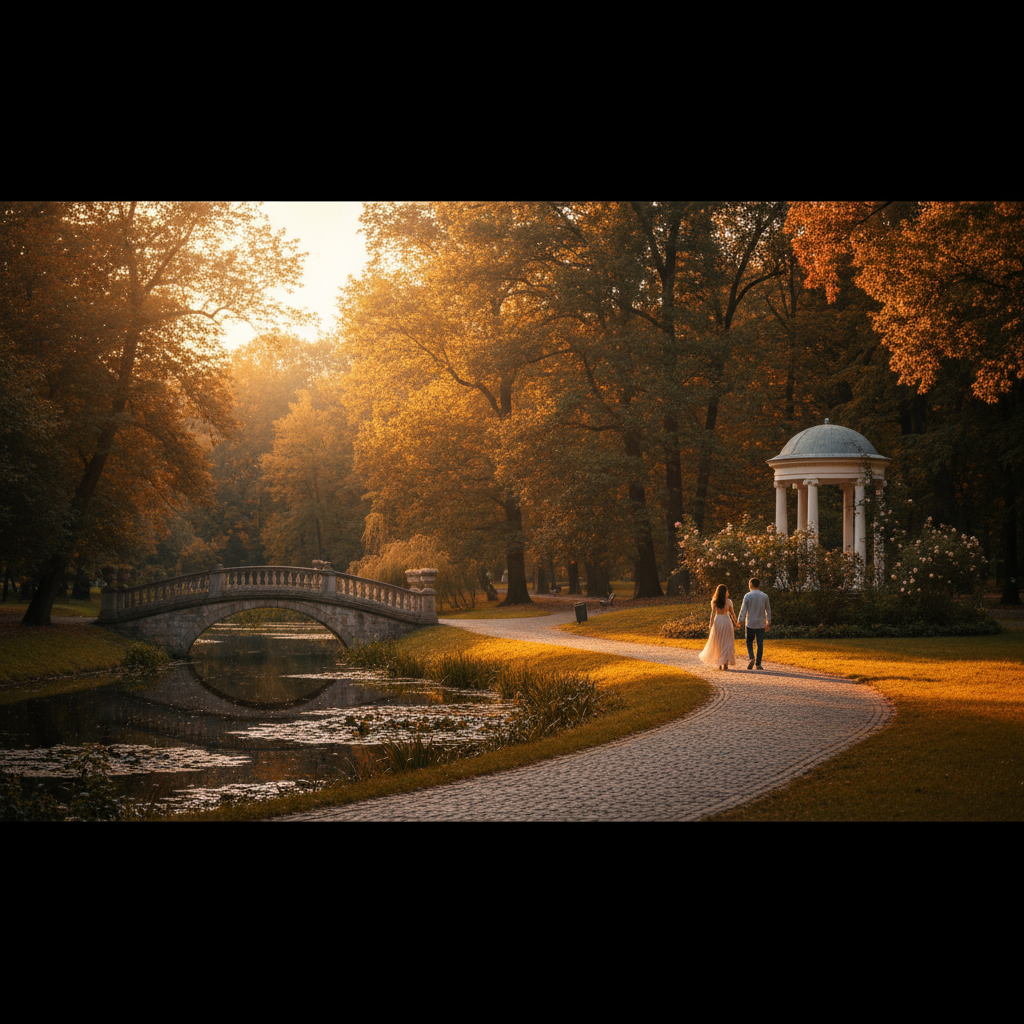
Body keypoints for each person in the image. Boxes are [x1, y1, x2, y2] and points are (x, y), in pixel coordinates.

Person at [698, 583, 738, 670]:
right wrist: (736, 622)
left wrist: (711, 624)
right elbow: (732, 614)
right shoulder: (729, 602)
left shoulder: (714, 601)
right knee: (727, 642)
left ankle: (719, 662)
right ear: (725, 592)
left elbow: (712, 614)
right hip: (726, 621)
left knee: (718, 641)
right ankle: (725, 663)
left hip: (718, 621)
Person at [736, 577, 771, 670]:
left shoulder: (747, 596)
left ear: (750, 585)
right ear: (759, 585)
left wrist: (740, 620)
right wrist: (768, 621)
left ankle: (752, 658)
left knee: (749, 641)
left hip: (750, 623)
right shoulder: (765, 596)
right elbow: (768, 610)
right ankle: (758, 664)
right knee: (760, 643)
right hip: (761, 623)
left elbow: (743, 609)